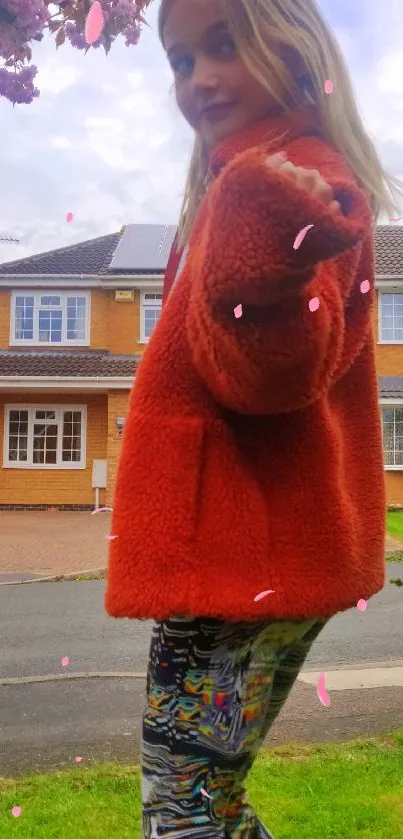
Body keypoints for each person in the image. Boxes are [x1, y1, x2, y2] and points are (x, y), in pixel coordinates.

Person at [105, 0, 403, 836]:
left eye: (222, 44)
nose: (197, 78)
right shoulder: (257, 178)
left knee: (183, 816)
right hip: (252, 554)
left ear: (292, 44)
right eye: (178, 60)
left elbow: (273, 376)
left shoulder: (294, 182)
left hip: (237, 559)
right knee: (202, 809)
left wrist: (257, 260)